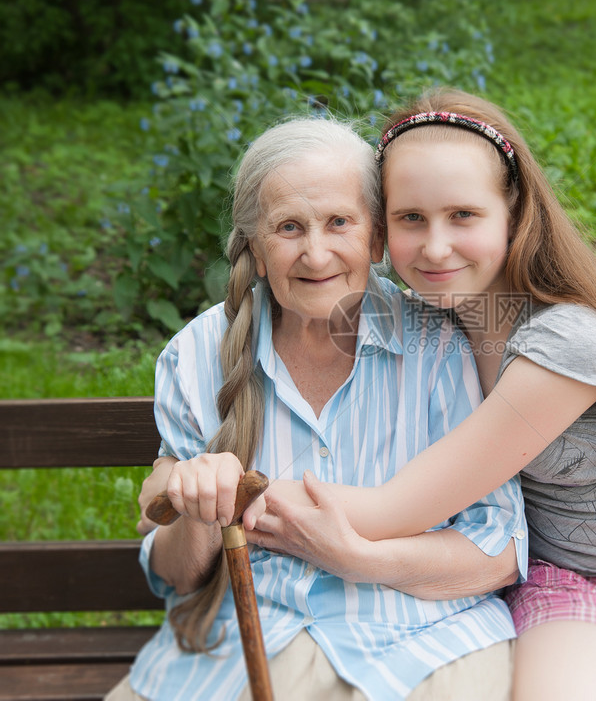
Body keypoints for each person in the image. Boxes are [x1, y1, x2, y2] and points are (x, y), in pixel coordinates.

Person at [257, 89, 596, 700]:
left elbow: (397, 508)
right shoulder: (424, 329)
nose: (436, 247)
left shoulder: (568, 340)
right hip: (570, 582)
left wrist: (229, 485)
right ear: (382, 229)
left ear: (513, 213)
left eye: (463, 215)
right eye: (411, 218)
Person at [108, 116, 528, 701]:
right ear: (255, 249)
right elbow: (174, 573)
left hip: (423, 644)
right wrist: (199, 506)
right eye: (288, 228)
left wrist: (360, 561)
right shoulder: (197, 355)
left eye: (339, 223)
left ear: (375, 238)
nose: (315, 252)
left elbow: (499, 550)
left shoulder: (439, 346)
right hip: (246, 646)